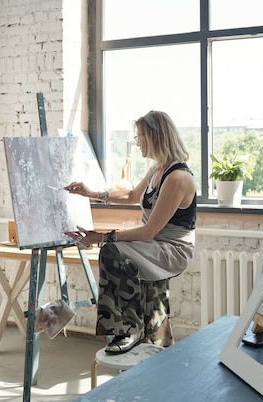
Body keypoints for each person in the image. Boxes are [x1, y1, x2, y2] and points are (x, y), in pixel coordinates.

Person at [64, 110, 197, 354]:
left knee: (112, 251)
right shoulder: (158, 169)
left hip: (173, 249)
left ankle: (129, 329)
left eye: (140, 137)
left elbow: (148, 231)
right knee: (114, 252)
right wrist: (91, 193)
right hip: (154, 243)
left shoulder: (177, 177)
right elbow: (130, 195)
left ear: (155, 136)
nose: (137, 143)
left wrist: (102, 237)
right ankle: (150, 335)